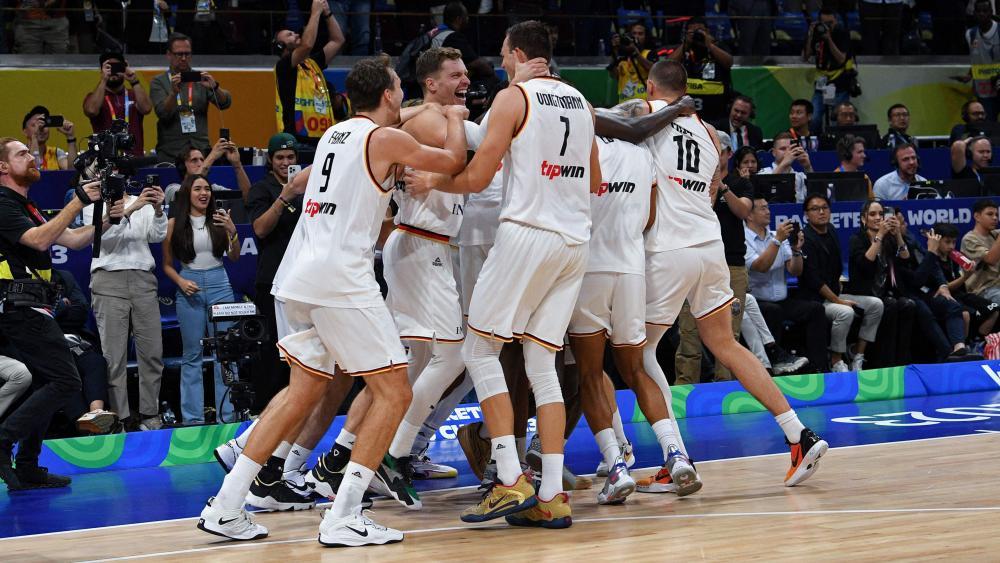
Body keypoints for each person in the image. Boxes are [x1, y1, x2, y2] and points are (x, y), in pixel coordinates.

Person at [198, 55, 468, 546]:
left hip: (296, 277)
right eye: (396, 88)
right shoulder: (383, 138)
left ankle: (226, 505)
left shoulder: (334, 134)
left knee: (301, 390)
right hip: (340, 278)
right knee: (394, 391)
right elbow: (452, 162)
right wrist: (451, 118)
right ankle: (343, 512)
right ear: (389, 94)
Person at [593, 60, 828, 493]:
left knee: (639, 356)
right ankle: (798, 433)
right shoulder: (706, 131)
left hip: (668, 249)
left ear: (650, 86)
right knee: (725, 343)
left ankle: (675, 459)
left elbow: (601, 119)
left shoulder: (643, 109)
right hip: (710, 244)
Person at [406, 20, 597, 528]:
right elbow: (594, 177)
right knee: (541, 361)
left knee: (478, 349)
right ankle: (551, 494)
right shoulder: (580, 102)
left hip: (527, 233)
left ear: (515, 53)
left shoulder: (515, 98)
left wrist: (434, 179)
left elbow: (479, 174)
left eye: (503, 53)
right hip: (576, 242)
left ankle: (510, 478)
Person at [378, 47, 472, 508]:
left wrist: (436, 107)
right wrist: (452, 116)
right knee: (455, 356)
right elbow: (458, 160)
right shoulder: (437, 121)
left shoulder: (424, 113)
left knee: (418, 362)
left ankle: (385, 450)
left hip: (420, 244)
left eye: (465, 73)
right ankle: (394, 453)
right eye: (454, 74)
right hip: (420, 243)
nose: (464, 80)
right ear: (431, 82)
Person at [0, 137, 106, 491]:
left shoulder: (25, 205)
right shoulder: (2, 204)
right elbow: (40, 241)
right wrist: (78, 200)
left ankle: (28, 464)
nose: (32, 157)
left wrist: (115, 217)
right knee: (66, 381)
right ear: (3, 167)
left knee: (50, 382)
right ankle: (4, 440)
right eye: (22, 154)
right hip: (18, 307)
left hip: (34, 306)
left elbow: (74, 240)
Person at [79, 175, 166, 431]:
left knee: (152, 353)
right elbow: (101, 239)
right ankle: (121, 417)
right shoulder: (92, 205)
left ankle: (150, 414)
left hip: (143, 280)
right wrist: (131, 209)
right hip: (108, 281)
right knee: (113, 358)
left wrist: (158, 209)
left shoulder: (144, 203)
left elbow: (157, 236)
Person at [162, 175, 240, 426]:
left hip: (221, 285)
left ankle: (227, 416)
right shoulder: (174, 224)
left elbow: (235, 257)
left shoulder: (220, 220)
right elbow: (166, 265)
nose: (204, 193)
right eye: (198, 189)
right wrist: (181, 282)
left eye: (207, 189)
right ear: (188, 194)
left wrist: (232, 231)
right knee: (192, 355)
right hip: (189, 287)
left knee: (225, 353)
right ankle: (192, 420)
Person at [674, 131, 751, 384]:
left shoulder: (740, 182)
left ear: (728, 154)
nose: (713, 154)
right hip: (697, 261)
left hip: (731, 264)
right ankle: (684, 388)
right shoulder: (693, 179)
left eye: (718, 150)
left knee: (730, 334)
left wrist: (722, 186)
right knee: (688, 333)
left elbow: (743, 211)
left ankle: (724, 390)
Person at [744, 196, 830, 372]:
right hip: (758, 303)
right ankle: (774, 367)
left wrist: (796, 250)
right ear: (749, 215)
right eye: (762, 208)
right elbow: (761, 266)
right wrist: (776, 242)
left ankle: (819, 367)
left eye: (768, 207)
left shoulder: (777, 235)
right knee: (773, 312)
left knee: (815, 309)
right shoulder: (743, 239)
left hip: (782, 301)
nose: (768, 211)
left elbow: (794, 271)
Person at [246, 133, 301, 410]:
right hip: (272, 281)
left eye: (290, 157)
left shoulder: (310, 187)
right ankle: (267, 412)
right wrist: (284, 197)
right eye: (280, 157)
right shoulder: (262, 189)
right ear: (270, 160)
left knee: (303, 350)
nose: (285, 162)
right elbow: (260, 229)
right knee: (273, 351)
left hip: (304, 280)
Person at [800, 193, 884, 372]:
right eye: (815, 209)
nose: (821, 212)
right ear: (806, 215)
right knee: (845, 312)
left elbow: (836, 266)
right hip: (815, 299)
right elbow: (814, 280)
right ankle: (836, 360)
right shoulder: (805, 238)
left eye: (825, 208)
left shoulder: (831, 230)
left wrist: (839, 294)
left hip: (834, 293)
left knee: (876, 305)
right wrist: (838, 301)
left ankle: (857, 354)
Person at [50, 269, 120, 435]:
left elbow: (80, 311)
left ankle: (96, 414)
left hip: (74, 341)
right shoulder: (20, 280)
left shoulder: (63, 276)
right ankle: (83, 423)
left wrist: (56, 310)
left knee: (95, 362)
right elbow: (35, 317)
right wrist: (61, 306)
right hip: (43, 345)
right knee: (63, 371)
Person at [150, 33, 233, 164]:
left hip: (200, 150)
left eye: (187, 54)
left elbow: (225, 103)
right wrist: (173, 93)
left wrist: (215, 87)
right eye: (179, 54)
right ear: (169, 55)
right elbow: (162, 113)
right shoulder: (159, 81)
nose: (183, 58)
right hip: (171, 151)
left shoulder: (200, 79)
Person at [274, 0, 347, 147]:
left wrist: (328, 14)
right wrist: (316, 12)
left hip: (323, 140)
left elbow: (338, 40)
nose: (295, 34)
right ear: (281, 46)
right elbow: (307, 45)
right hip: (297, 141)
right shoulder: (284, 67)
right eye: (289, 35)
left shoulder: (312, 63)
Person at [930, 222, 1000, 340]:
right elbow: (944, 287)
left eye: (953, 242)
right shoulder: (932, 261)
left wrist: (968, 270)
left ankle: (981, 340)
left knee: (994, 309)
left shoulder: (954, 259)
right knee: (965, 315)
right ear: (937, 241)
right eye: (947, 242)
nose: (951, 246)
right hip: (944, 298)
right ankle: (964, 347)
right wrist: (966, 276)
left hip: (962, 295)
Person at [82, 52, 151, 156]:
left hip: (134, 158)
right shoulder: (95, 97)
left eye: (117, 67)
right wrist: (104, 79)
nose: (113, 71)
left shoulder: (134, 94)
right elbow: (91, 110)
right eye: (108, 67)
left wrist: (134, 81)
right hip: (106, 161)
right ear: (102, 70)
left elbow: (146, 109)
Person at [668, 17, 734, 123]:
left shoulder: (718, 46)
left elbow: (728, 63)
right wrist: (686, 44)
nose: (697, 34)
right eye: (692, 32)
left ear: (707, 31)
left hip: (717, 111)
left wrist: (709, 44)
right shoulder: (683, 49)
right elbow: (668, 65)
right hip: (688, 113)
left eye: (700, 31)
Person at [802, 8, 854, 133]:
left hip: (840, 82)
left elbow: (841, 59)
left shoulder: (842, 32)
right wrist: (810, 35)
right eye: (824, 23)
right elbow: (806, 56)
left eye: (830, 23)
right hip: (822, 83)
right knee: (813, 119)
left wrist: (829, 39)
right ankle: (817, 145)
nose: (827, 26)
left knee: (841, 120)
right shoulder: (816, 33)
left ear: (835, 20)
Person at [163, 141, 250, 205]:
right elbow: (187, 194)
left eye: (202, 160)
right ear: (182, 166)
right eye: (194, 160)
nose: (200, 164)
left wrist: (237, 164)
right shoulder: (172, 189)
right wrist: (212, 156)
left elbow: (247, 199)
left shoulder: (213, 188)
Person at [955, 0, 1000, 121]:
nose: (981, 14)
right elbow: (977, 59)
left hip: (998, 86)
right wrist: (969, 75)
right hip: (983, 89)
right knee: (988, 123)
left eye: (985, 11)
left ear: (991, 12)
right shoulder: (970, 34)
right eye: (978, 11)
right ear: (974, 13)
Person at [961, 199, 1000, 305]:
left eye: (996, 214)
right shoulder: (969, 239)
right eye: (990, 214)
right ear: (977, 217)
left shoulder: (994, 234)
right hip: (983, 290)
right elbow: (990, 259)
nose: (995, 218)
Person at [759, 132, 813, 202]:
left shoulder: (800, 176)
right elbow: (766, 192)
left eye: (791, 148)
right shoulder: (763, 173)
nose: (788, 152)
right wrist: (784, 163)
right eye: (783, 149)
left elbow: (816, 195)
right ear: (774, 152)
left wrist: (808, 167)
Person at [608, 22, 655, 103]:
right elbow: (614, 75)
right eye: (634, 33)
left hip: (645, 105)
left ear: (645, 37)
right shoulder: (621, 57)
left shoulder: (649, 53)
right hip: (624, 106)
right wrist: (614, 50)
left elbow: (653, 70)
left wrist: (635, 52)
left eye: (640, 34)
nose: (637, 36)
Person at [21, 106, 76, 171]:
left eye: (44, 125)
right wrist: (34, 137)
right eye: (34, 125)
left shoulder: (56, 153)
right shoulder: (20, 153)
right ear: (25, 132)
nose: (40, 128)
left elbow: (72, 171)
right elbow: (34, 171)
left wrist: (70, 137)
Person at [835, 134, 874, 199]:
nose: (864, 156)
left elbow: (871, 203)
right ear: (847, 154)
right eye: (860, 152)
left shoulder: (865, 178)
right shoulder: (834, 178)